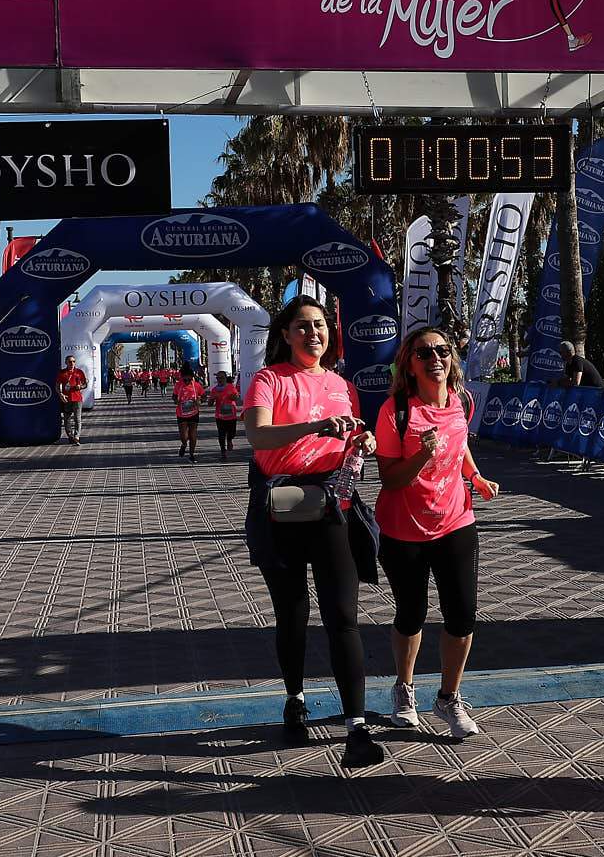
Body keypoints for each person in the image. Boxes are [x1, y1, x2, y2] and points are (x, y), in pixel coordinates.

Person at [242, 295, 384, 768]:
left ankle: (356, 730)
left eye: (320, 326)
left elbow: (356, 439)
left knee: (343, 616)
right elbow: (259, 436)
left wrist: (362, 440)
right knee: (293, 614)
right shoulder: (268, 380)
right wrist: (315, 426)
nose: (313, 334)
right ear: (285, 334)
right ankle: (295, 698)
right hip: (280, 510)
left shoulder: (343, 385)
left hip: (331, 508)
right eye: (302, 327)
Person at [374, 327, 500, 739]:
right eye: (424, 352)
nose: (436, 358)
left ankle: (448, 697)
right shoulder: (396, 410)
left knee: (462, 617)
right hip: (403, 529)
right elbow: (390, 479)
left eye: (443, 350)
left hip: (455, 522)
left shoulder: (461, 400)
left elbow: (459, 443)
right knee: (410, 615)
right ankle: (404, 689)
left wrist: (476, 477)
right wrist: (422, 454)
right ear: (408, 364)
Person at [173, 364, 205, 460]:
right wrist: (176, 401)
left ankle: (192, 454)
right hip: (181, 413)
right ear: (182, 378)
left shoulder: (197, 386)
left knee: (193, 434)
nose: (186, 382)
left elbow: (203, 396)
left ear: (192, 378)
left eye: (188, 380)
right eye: (184, 380)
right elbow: (174, 396)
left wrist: (200, 401)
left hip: (194, 413)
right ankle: (183, 444)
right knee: (184, 436)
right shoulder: (178, 385)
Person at [209, 371, 243, 457]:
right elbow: (209, 404)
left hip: (231, 415)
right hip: (220, 416)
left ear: (225, 379)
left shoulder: (231, 387)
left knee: (232, 432)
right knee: (221, 434)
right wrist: (212, 400)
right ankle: (223, 450)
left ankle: (229, 440)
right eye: (218, 378)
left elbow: (236, 397)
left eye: (222, 378)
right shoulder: (214, 390)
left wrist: (233, 397)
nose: (220, 380)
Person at [57, 359, 89, 444]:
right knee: (67, 419)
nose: (72, 363)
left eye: (73, 361)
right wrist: (61, 395)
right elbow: (57, 385)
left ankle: (77, 437)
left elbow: (85, 384)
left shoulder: (79, 372)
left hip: (77, 399)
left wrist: (81, 386)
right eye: (70, 361)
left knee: (77, 419)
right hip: (66, 399)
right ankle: (70, 436)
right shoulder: (62, 373)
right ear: (66, 363)